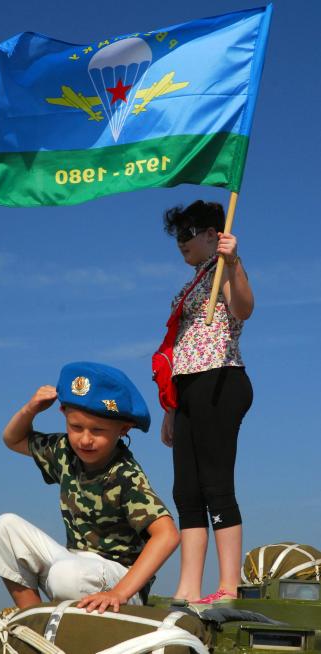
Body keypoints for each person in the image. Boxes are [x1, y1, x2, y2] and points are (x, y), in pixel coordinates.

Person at [0, 361, 180, 613]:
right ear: (63, 414)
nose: (85, 439)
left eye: (98, 430)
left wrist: (120, 592)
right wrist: (31, 409)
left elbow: (168, 535)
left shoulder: (124, 474)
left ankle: (50, 620)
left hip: (119, 580)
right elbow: (13, 439)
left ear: (123, 429)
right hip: (74, 562)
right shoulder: (64, 451)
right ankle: (32, 620)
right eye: (76, 427)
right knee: (3, 528)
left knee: (65, 575)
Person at [160, 200, 254, 604]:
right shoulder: (194, 281)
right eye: (176, 234)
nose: (180, 241)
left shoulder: (225, 269)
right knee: (186, 490)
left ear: (213, 235)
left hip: (220, 377)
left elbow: (244, 309)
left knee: (217, 485)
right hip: (188, 389)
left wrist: (232, 263)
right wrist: (170, 408)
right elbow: (179, 344)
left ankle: (228, 587)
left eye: (187, 232)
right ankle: (186, 589)